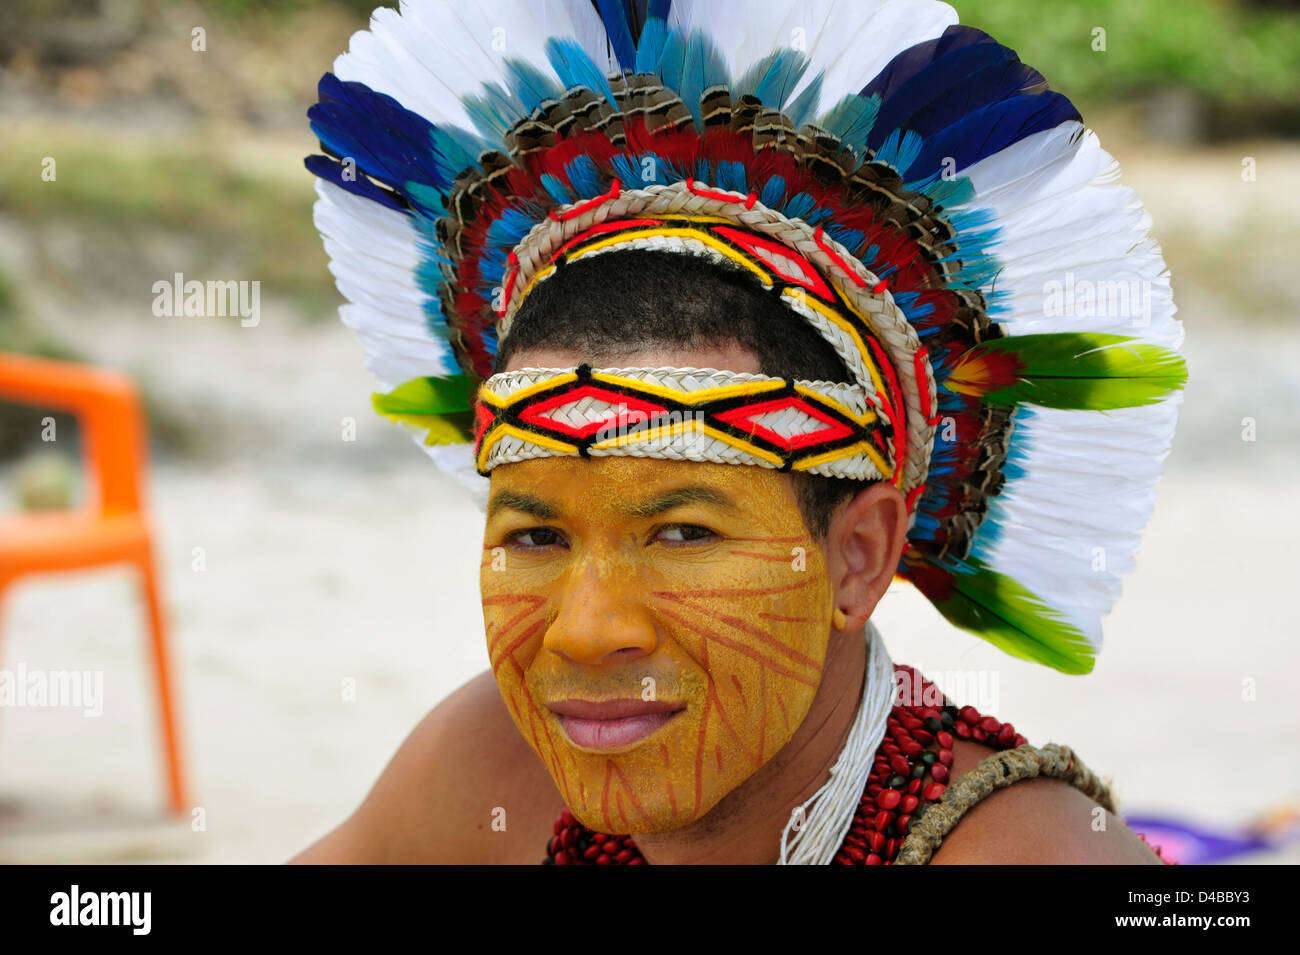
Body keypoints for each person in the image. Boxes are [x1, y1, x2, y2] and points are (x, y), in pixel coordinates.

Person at [292, 0, 1186, 864]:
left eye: (684, 531)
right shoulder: (492, 769)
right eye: (535, 534)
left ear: (858, 555)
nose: (584, 631)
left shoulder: (1026, 857)